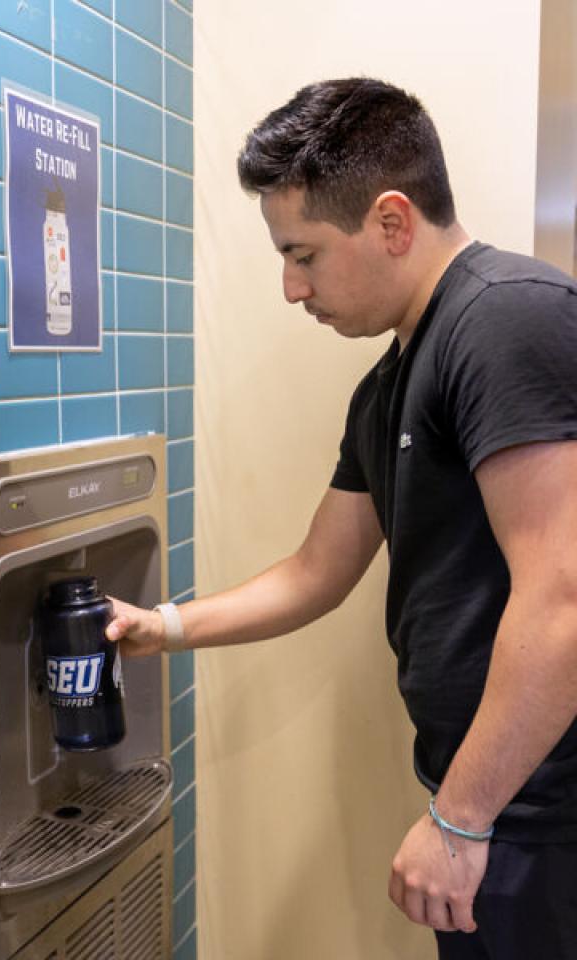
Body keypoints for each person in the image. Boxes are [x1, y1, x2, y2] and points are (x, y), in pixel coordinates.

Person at [105, 77, 577, 959]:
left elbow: (564, 599)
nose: (291, 288)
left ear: (392, 222)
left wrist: (462, 821)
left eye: (304, 255)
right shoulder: (389, 382)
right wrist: (160, 626)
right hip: (490, 803)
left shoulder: (503, 321)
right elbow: (316, 571)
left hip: (540, 816)